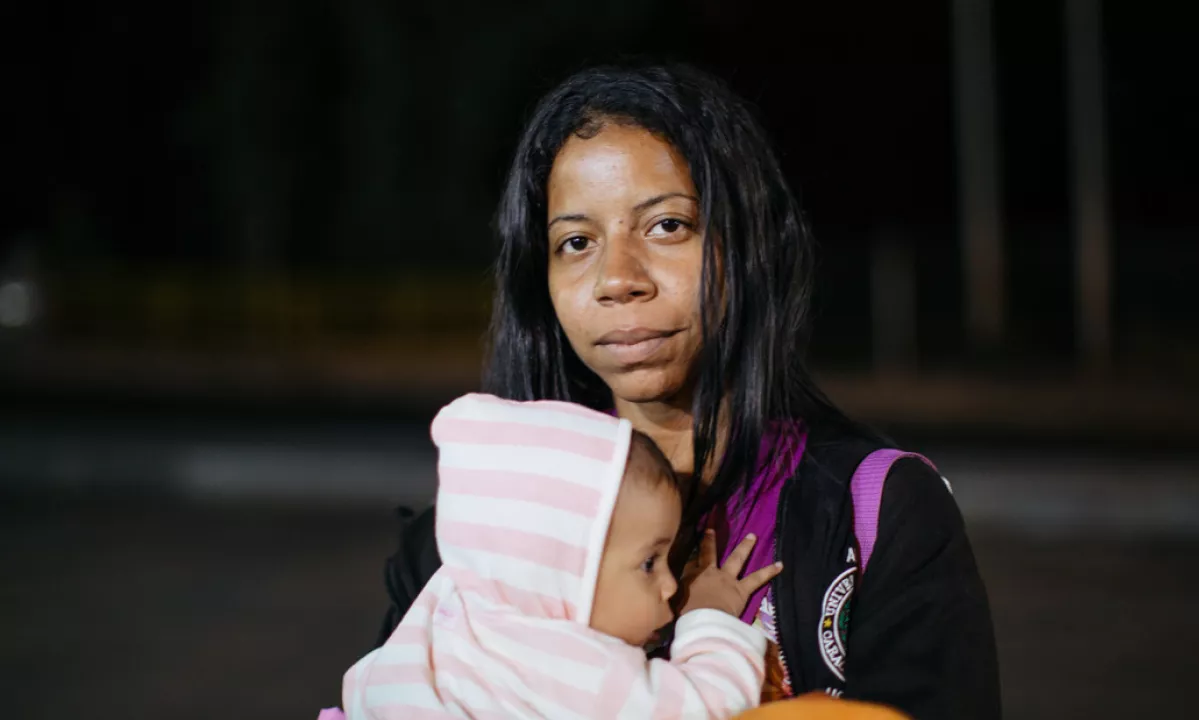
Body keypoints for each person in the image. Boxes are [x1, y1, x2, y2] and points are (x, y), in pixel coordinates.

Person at [378, 64, 1001, 718]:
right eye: (577, 241)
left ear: (750, 243)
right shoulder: (462, 546)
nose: (617, 279)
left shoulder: (879, 510)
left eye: (667, 226)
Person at [328, 393, 782, 719]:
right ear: (559, 575)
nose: (670, 584)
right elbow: (706, 708)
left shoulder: (452, 606)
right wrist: (712, 621)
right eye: (649, 563)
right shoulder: (564, 665)